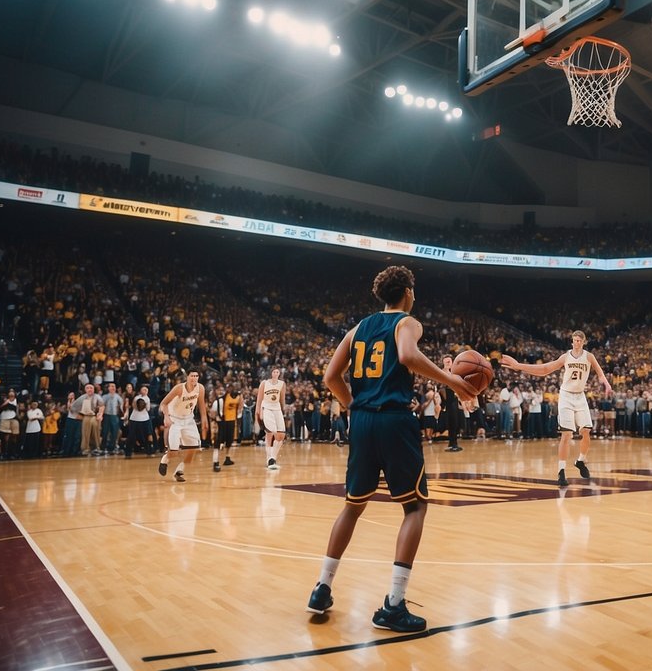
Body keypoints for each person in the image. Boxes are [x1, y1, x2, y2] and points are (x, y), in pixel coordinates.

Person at [305, 266, 478, 633]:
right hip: (395, 421)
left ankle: (322, 587)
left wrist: (354, 405)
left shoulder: (357, 329)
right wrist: (454, 382)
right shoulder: (407, 323)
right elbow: (407, 356)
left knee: (353, 506)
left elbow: (330, 378)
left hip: (363, 422)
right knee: (415, 507)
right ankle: (394, 605)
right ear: (408, 292)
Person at [501, 330, 614, 488]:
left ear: (584, 342)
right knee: (567, 434)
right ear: (571, 342)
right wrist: (519, 366)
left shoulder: (589, 356)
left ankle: (580, 461)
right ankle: (561, 471)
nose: (576, 343)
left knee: (586, 431)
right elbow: (546, 369)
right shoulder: (565, 357)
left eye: (579, 341)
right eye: (574, 340)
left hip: (580, 396)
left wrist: (607, 385)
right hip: (566, 396)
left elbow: (600, 374)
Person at [158, 370, 208, 483]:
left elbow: (201, 405)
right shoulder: (179, 388)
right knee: (174, 452)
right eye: (192, 376)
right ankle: (165, 459)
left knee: (193, 450)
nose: (194, 378)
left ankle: (179, 471)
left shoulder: (200, 388)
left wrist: (204, 418)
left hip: (189, 419)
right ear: (187, 377)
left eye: (197, 375)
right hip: (174, 419)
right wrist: (166, 417)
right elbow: (163, 403)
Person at [257, 368, 288, 471]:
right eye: (274, 372)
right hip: (267, 408)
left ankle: (273, 458)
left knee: (281, 435)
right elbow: (259, 399)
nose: (276, 373)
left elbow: (282, 399)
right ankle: (269, 458)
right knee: (271, 433)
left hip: (277, 408)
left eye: (277, 372)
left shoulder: (282, 384)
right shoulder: (264, 383)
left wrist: (283, 411)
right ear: (270, 372)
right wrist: (259, 412)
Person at [212, 386, 241, 472]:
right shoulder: (218, 401)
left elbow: (238, 409)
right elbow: (213, 414)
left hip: (231, 421)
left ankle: (227, 458)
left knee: (229, 441)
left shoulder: (236, 399)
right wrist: (215, 422)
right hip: (221, 423)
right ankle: (215, 461)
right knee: (218, 443)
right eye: (218, 390)